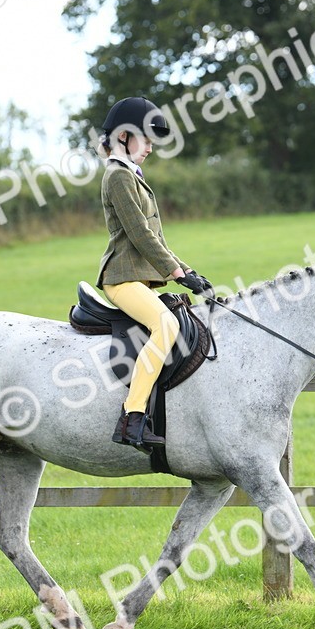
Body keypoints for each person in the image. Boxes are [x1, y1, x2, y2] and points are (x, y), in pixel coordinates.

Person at [95, 96, 213, 451]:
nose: (150, 147)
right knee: (167, 326)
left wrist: (188, 270)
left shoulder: (131, 174)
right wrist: (175, 272)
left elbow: (157, 237)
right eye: (146, 139)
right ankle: (132, 417)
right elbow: (140, 234)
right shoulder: (117, 176)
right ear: (125, 137)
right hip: (121, 278)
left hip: (140, 276)